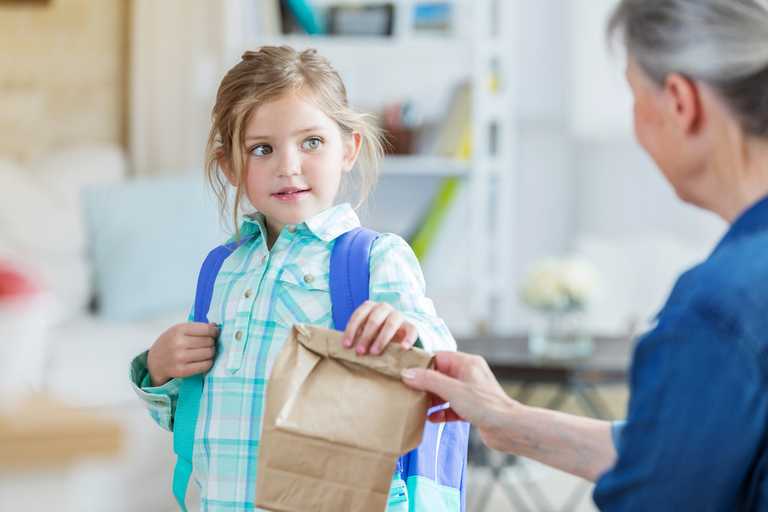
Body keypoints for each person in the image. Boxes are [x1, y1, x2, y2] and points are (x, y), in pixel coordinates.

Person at [402, 0, 768, 509]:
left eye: (637, 97)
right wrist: (504, 419)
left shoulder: (718, 306)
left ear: (681, 102)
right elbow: (682, 451)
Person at [129, 46, 457, 512]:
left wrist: (407, 336)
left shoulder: (373, 260)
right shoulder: (222, 269)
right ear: (231, 168)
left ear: (349, 148)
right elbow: (192, 416)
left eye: (311, 143)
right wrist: (159, 369)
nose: (288, 166)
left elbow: (444, 373)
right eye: (261, 149)